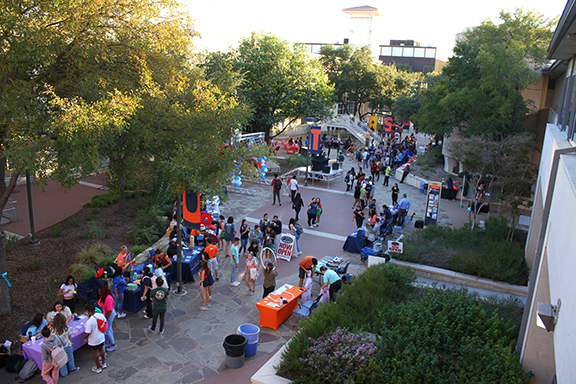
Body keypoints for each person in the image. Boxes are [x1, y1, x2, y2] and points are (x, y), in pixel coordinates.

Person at [83, 303, 106, 374]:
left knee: (95, 353)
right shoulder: (101, 315)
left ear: (88, 311)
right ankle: (103, 363)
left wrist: (84, 338)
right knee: (101, 350)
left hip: (94, 340)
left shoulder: (89, 321)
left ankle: (98, 368)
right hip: (101, 337)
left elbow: (88, 332)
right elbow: (104, 322)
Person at [97, 285, 118, 352]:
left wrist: (106, 319)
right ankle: (110, 342)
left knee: (107, 330)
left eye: (100, 292)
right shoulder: (103, 297)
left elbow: (109, 310)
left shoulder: (108, 298)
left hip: (109, 315)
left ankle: (114, 345)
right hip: (105, 314)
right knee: (109, 329)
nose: (99, 293)